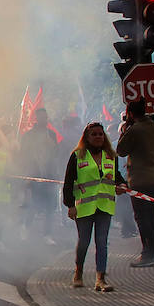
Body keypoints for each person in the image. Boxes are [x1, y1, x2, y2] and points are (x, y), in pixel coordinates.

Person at [63, 123, 127, 292]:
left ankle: (101, 279)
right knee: (84, 242)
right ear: (87, 137)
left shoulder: (111, 155)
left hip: (104, 205)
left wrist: (122, 184)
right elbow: (68, 182)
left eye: (100, 134)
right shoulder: (77, 156)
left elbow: (116, 175)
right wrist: (70, 205)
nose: (98, 137)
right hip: (84, 207)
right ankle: (78, 273)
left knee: (102, 242)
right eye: (94, 134)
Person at [116, 98, 154, 267]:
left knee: (141, 217)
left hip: (139, 178)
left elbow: (121, 150)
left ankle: (147, 254)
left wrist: (125, 129)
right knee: (151, 215)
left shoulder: (134, 129)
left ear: (130, 113)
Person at [19, 108, 59, 244]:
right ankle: (25, 228)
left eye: (45, 117)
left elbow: (55, 154)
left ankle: (47, 234)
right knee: (33, 205)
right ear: (36, 118)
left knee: (49, 207)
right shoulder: (28, 136)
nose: (44, 119)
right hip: (33, 175)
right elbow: (23, 155)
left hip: (49, 175)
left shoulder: (52, 134)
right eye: (41, 117)